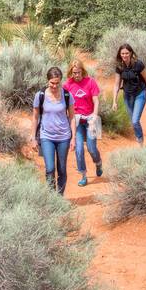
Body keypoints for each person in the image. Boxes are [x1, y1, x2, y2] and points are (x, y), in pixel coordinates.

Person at [33, 67, 73, 195]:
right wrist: (33, 137)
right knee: (50, 169)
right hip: (46, 137)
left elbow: (72, 117)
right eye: (52, 83)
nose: (54, 86)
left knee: (61, 170)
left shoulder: (67, 95)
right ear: (47, 81)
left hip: (64, 137)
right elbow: (35, 117)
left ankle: (59, 197)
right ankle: (51, 199)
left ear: (61, 81)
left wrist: (74, 138)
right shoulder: (40, 95)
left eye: (57, 83)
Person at [64, 59, 102, 186]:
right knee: (79, 149)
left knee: (91, 148)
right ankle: (83, 175)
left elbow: (96, 101)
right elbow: (63, 102)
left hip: (91, 119)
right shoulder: (67, 85)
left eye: (79, 72)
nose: (77, 75)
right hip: (77, 121)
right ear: (71, 72)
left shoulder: (90, 82)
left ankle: (98, 163)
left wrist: (94, 117)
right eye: (74, 73)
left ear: (83, 71)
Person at [113, 43, 146, 146]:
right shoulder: (119, 67)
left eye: (127, 53)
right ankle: (139, 138)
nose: (124, 55)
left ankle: (140, 141)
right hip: (127, 95)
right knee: (133, 121)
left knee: (135, 121)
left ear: (131, 53)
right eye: (122, 53)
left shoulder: (138, 64)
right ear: (120, 54)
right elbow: (117, 84)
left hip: (140, 93)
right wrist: (114, 101)